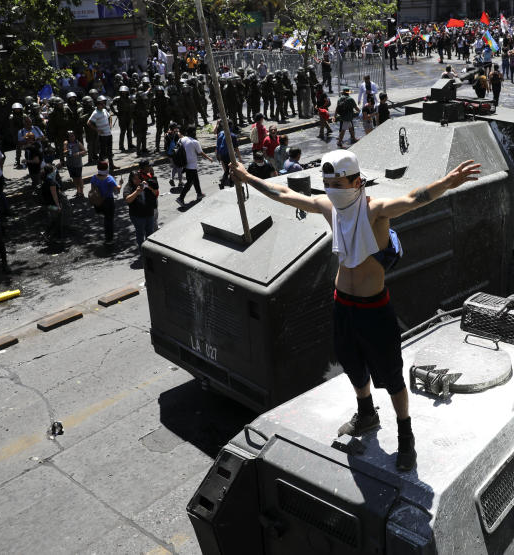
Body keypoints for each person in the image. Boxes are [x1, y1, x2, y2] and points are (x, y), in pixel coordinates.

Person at [230, 150, 482, 472]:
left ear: (357, 181)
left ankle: (406, 437)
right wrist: (247, 177)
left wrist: (448, 182)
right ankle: (366, 414)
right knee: (351, 362)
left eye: (339, 182)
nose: (333, 189)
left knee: (391, 375)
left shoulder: (375, 210)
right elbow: (284, 193)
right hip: (342, 303)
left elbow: (414, 198)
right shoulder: (329, 207)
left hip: (374, 307)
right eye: (328, 183)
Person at [123, 168, 159, 253]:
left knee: (150, 233)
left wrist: (149, 187)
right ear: (131, 179)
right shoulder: (128, 187)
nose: (138, 180)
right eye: (135, 178)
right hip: (137, 216)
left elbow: (155, 193)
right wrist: (136, 192)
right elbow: (127, 200)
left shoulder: (145, 183)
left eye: (139, 178)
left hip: (149, 213)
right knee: (140, 234)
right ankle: (142, 250)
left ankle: (149, 250)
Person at [177, 126, 211, 206]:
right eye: (195, 131)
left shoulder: (183, 139)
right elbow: (200, 153)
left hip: (185, 164)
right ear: (193, 132)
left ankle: (199, 194)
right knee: (189, 183)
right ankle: (180, 198)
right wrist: (209, 158)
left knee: (195, 180)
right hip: (191, 166)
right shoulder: (195, 142)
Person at [89, 161, 120, 243]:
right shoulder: (109, 178)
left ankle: (107, 236)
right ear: (107, 168)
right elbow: (117, 191)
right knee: (109, 220)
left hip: (98, 201)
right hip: (108, 202)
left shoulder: (94, 178)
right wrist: (120, 184)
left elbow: (92, 190)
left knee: (105, 218)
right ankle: (109, 239)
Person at [87, 96, 115, 171]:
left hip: (108, 134)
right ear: (98, 104)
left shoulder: (104, 110)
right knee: (102, 153)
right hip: (102, 136)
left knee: (109, 151)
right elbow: (89, 123)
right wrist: (97, 130)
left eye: (104, 103)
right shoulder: (95, 113)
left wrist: (110, 124)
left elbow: (110, 117)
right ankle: (101, 168)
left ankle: (112, 166)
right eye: (102, 104)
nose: (103, 105)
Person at [40, 164, 64, 243]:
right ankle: (55, 237)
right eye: (53, 170)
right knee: (57, 220)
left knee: (54, 219)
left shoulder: (46, 179)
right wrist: (58, 206)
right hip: (53, 204)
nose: (55, 171)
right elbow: (54, 195)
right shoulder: (51, 182)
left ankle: (47, 233)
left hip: (48, 204)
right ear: (51, 171)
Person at [63, 130, 87, 197]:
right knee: (74, 178)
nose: (72, 137)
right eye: (70, 136)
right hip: (70, 164)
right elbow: (64, 151)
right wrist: (66, 151)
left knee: (79, 178)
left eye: (73, 136)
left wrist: (78, 153)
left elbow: (85, 151)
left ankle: (81, 192)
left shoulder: (77, 142)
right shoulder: (66, 143)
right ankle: (78, 191)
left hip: (78, 163)